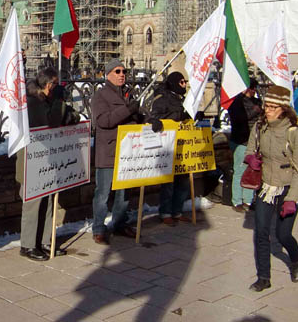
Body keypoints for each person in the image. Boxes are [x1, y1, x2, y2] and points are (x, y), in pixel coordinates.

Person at [246, 86, 298, 292]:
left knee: (283, 235)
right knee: (261, 232)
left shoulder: (295, 132)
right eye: (266, 106)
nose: (268, 110)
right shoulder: (260, 126)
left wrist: (292, 198)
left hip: (288, 187)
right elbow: (249, 148)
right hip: (266, 186)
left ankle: (297, 258)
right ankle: (264, 277)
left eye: (273, 107)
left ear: (283, 109)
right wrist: (251, 159)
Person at [15, 67, 79, 260]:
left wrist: (64, 112)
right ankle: (27, 244)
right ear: (49, 85)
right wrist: (59, 103)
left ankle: (45, 241)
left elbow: (71, 118)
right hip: (32, 161)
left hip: (50, 161)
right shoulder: (33, 102)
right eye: (56, 84)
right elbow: (50, 124)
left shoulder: (48, 101)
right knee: (33, 203)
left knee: (50, 201)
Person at [90, 59, 142, 244]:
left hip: (127, 151)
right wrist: (127, 110)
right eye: (117, 71)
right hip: (109, 151)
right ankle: (98, 227)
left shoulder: (128, 93)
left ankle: (120, 223)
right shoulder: (100, 96)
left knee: (124, 192)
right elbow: (104, 121)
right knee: (103, 193)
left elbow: (137, 115)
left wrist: (149, 119)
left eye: (123, 71)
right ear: (108, 74)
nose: (122, 74)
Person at [147, 71, 192, 225]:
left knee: (183, 181)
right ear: (173, 83)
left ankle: (177, 211)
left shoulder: (182, 99)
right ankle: (166, 212)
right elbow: (153, 116)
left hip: (183, 146)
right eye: (181, 82)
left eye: (185, 82)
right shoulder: (163, 99)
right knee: (169, 182)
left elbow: (183, 116)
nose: (184, 85)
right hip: (168, 146)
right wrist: (157, 121)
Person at [227, 78, 262, 212]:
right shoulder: (237, 102)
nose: (253, 91)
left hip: (254, 140)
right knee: (240, 170)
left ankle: (248, 200)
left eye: (254, 89)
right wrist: (255, 111)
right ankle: (237, 201)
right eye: (251, 88)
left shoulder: (256, 101)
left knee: (252, 170)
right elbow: (240, 118)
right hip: (241, 140)